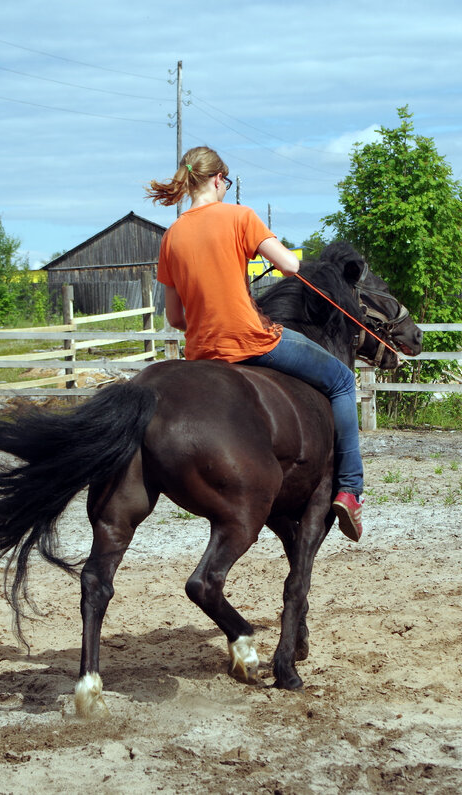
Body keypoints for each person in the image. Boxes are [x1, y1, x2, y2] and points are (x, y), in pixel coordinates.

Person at [145, 146, 365, 541]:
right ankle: (350, 489)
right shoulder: (240, 217)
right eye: (225, 182)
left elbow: (175, 318)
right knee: (342, 381)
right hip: (251, 341)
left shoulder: (172, 236)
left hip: (201, 354)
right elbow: (291, 266)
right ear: (217, 179)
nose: (225, 188)